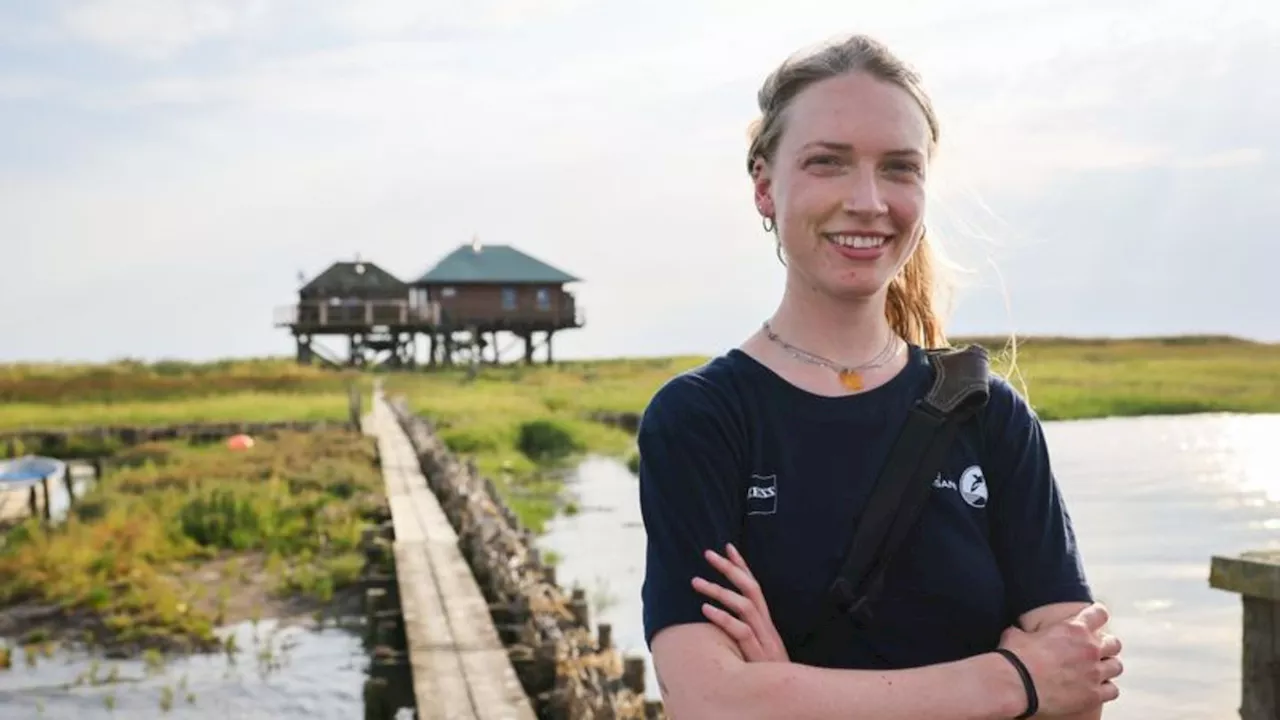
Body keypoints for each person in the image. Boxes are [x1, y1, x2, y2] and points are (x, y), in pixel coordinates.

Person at [636, 33, 1124, 719]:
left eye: (899, 168)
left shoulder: (987, 414)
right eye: (827, 163)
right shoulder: (704, 418)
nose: (867, 200)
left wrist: (791, 690)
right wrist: (1014, 679)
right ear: (763, 186)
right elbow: (711, 702)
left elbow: (1080, 693)